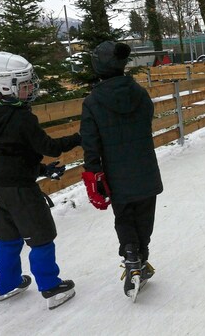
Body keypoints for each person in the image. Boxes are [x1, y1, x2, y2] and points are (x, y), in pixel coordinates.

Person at [0, 51, 80, 309]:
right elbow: (50, 146)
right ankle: (51, 287)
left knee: (8, 235)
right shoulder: (22, 117)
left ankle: (8, 284)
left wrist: (41, 170)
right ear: (4, 86)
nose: (31, 88)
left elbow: (11, 152)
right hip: (20, 190)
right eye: (24, 85)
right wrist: (81, 136)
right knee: (41, 235)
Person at [80, 41, 163, 301]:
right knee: (144, 216)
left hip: (117, 173)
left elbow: (90, 141)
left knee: (125, 216)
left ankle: (131, 256)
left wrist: (93, 172)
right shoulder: (139, 93)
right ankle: (141, 258)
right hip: (145, 168)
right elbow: (147, 118)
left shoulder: (93, 101)